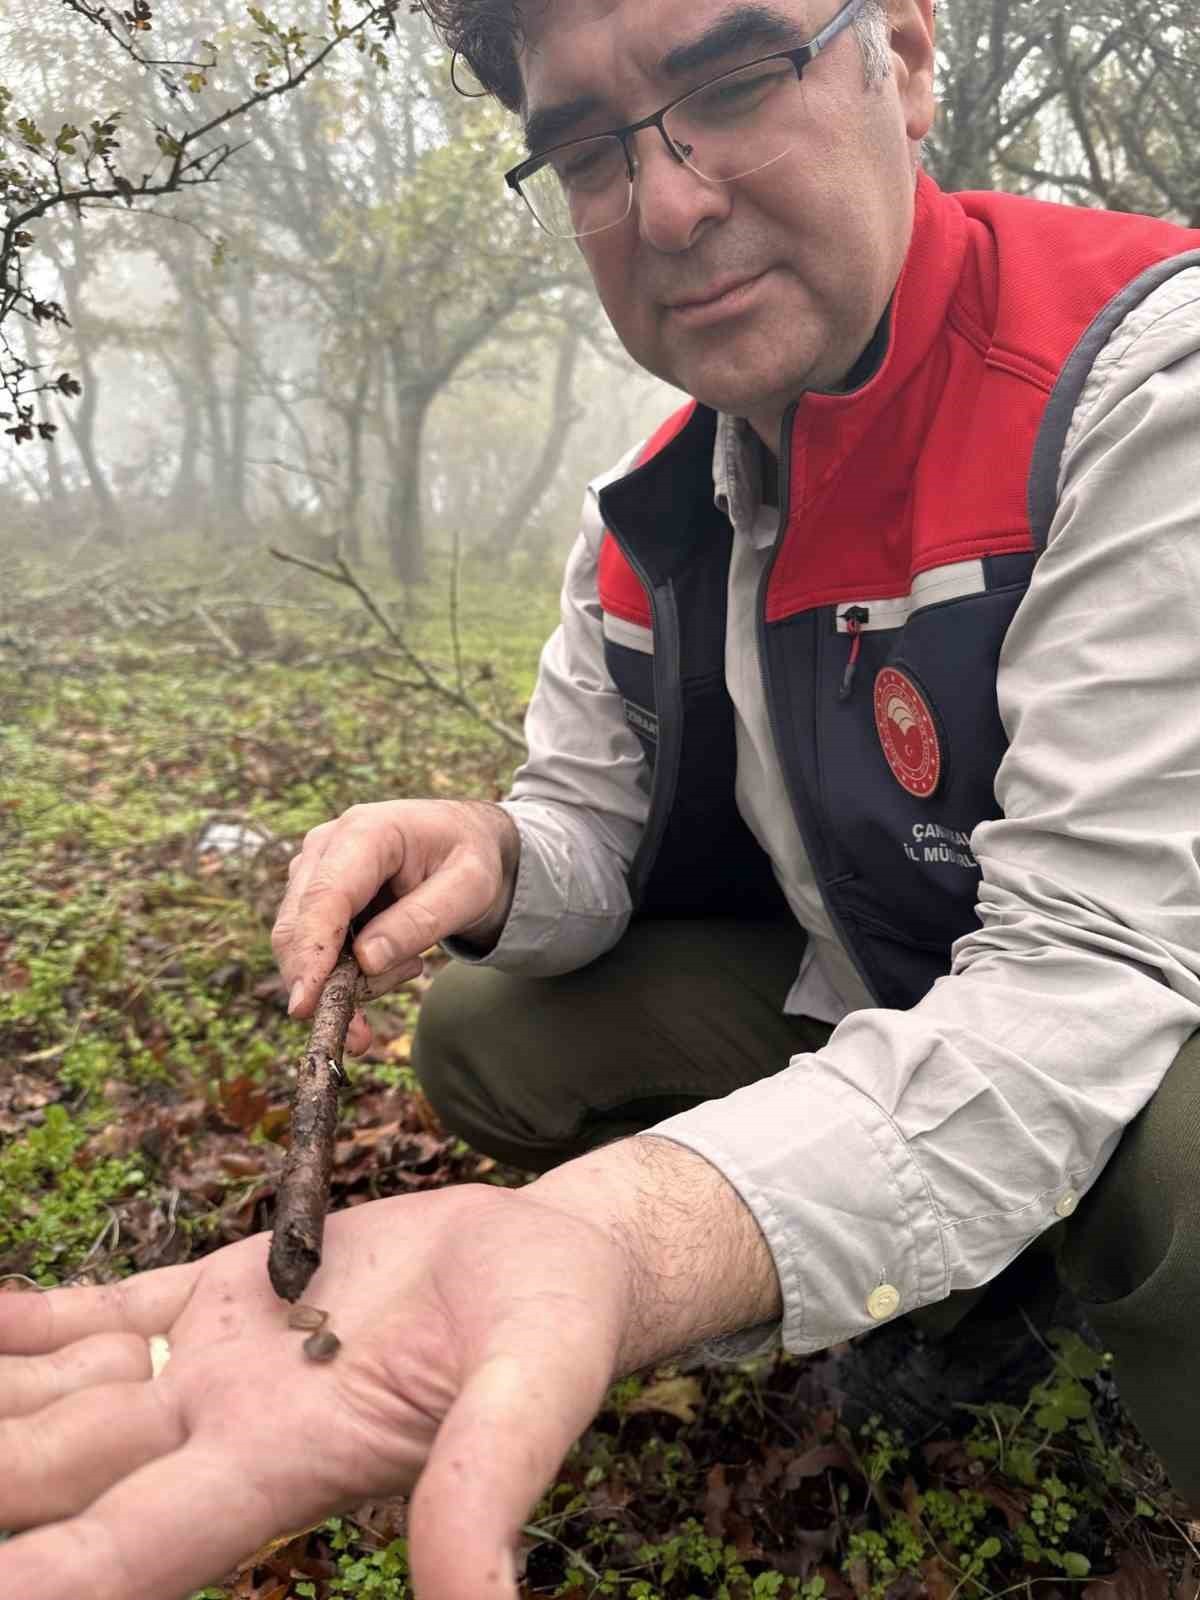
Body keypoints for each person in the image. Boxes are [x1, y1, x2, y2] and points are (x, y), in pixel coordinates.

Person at [4, 0, 1200, 1594]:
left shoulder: (1140, 382)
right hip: (893, 981)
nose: (669, 206)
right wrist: (494, 855)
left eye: (735, 80)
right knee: (487, 1025)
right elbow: (590, 827)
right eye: (585, 151)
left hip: (1145, 1004)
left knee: (1183, 1159)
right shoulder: (660, 500)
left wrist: (630, 1241)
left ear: (905, 61)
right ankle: (968, 1303)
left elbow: (1090, 971)